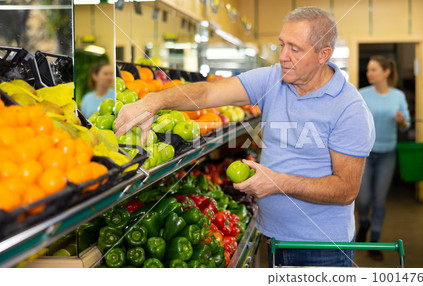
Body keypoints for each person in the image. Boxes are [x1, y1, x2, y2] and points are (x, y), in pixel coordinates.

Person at [115, 7, 375, 267]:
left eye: (295, 49)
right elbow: (208, 94)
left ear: (323, 55)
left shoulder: (349, 108)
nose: (283, 56)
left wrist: (277, 182)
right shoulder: (274, 78)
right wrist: (153, 101)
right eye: (281, 44)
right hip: (272, 235)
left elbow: (345, 189)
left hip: (321, 248)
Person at [356, 56, 410, 261]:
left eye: (373, 70)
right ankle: (364, 223)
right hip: (365, 154)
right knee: (363, 199)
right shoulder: (361, 94)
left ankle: (374, 241)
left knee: (379, 200)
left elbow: (407, 124)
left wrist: (401, 121)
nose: (369, 73)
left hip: (388, 154)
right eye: (368, 70)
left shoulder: (397, 96)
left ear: (386, 72)